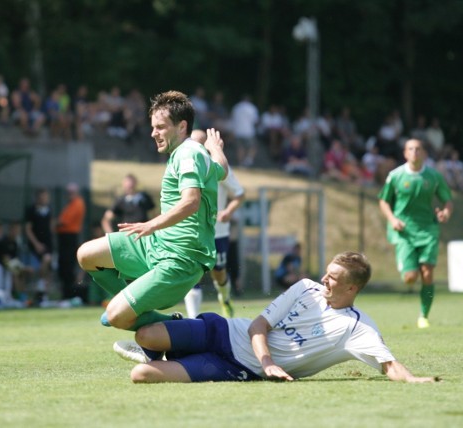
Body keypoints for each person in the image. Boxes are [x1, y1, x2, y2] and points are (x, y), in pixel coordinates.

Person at [115, 252, 437, 385]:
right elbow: (258, 326)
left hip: (236, 368)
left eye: (334, 278)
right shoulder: (305, 288)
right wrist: (268, 361)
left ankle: (166, 348)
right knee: (145, 335)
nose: (324, 279)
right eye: (326, 272)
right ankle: (169, 330)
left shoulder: (357, 327)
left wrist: (413, 380)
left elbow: (388, 364)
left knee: (140, 375)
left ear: (352, 287)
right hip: (226, 331)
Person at [76, 90, 228, 332]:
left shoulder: (188, 153)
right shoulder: (194, 153)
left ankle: (184, 328)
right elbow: (222, 170)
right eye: (153, 127)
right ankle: (138, 308)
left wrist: (151, 225)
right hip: (156, 245)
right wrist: (215, 148)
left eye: (160, 127)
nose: (153, 133)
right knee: (87, 254)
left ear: (182, 127)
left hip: (180, 259)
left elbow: (191, 202)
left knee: (116, 316)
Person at [378, 138, 453, 329]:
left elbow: (447, 201)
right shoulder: (395, 176)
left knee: (427, 274)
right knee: (410, 278)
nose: (414, 152)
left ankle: (424, 316)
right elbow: (384, 201)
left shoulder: (434, 176)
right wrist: (393, 219)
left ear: (424, 153)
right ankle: (413, 268)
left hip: (428, 229)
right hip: (404, 231)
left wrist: (445, 213)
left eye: (418, 149)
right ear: (405, 153)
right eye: (410, 149)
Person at [184, 129, 244, 319]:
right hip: (192, 232)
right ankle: (193, 319)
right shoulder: (183, 164)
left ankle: (225, 299)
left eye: (199, 144)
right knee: (192, 274)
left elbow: (239, 195)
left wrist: (228, 211)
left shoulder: (219, 168)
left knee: (219, 273)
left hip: (217, 232)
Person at [24, 188, 55, 304]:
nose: (44, 199)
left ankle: (43, 293)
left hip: (48, 244)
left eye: (46, 197)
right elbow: (28, 229)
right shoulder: (31, 210)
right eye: (42, 197)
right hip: (36, 244)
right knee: (43, 262)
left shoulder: (49, 210)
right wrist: (36, 243)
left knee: (48, 266)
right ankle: (39, 288)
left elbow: (50, 226)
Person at [57, 183, 86, 301]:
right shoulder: (71, 204)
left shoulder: (77, 203)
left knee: (68, 266)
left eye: (72, 192)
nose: (69, 195)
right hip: (65, 237)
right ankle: (67, 294)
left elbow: (63, 222)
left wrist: (54, 223)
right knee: (64, 267)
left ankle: (70, 294)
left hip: (69, 236)